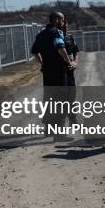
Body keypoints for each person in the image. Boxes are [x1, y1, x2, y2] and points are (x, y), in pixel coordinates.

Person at [31, 12, 75, 142]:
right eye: (62, 20)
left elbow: (34, 52)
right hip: (59, 72)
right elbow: (61, 48)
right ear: (56, 20)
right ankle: (59, 134)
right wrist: (68, 62)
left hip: (48, 72)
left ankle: (48, 129)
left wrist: (43, 63)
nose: (63, 22)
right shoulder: (56, 33)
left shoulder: (41, 34)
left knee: (49, 100)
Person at [61, 19, 79, 124]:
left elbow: (76, 51)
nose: (65, 29)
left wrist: (75, 62)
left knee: (71, 95)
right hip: (60, 71)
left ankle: (73, 120)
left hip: (70, 70)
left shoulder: (70, 37)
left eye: (66, 27)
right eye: (64, 27)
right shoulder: (56, 38)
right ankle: (60, 123)